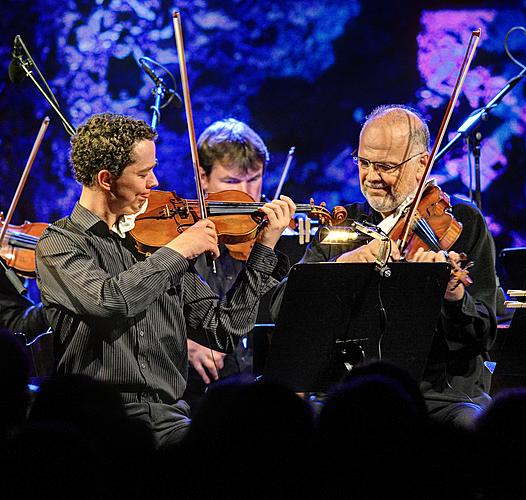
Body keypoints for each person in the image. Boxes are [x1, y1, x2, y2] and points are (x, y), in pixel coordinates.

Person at [35, 113, 295, 448]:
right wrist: (179, 250)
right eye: (144, 173)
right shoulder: (61, 243)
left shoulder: (154, 242)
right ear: (105, 179)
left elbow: (223, 330)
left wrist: (264, 249)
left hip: (169, 420)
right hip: (96, 423)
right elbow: (111, 301)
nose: (155, 181)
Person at [271, 104, 497, 429]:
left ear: (422, 165)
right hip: (352, 392)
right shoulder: (343, 225)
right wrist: (350, 262)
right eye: (364, 163)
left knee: (468, 426)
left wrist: (453, 297)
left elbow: (483, 334)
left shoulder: (460, 221)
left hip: (439, 397)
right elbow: (284, 310)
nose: (372, 176)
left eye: (386, 166)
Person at [184, 118, 270, 409]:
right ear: (203, 178)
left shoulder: (279, 238)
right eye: (232, 182)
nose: (246, 194)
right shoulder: (180, 240)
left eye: (254, 179)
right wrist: (184, 341)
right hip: (197, 398)